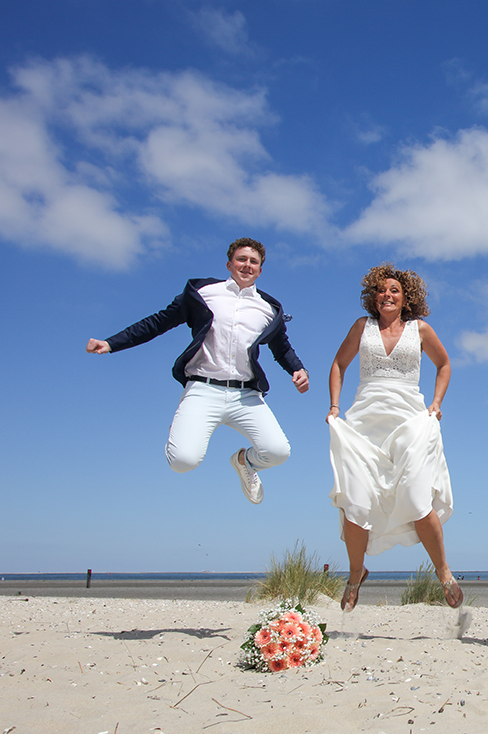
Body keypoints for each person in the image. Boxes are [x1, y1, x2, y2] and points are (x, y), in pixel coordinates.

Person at [86, 237, 308, 504]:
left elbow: (281, 347)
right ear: (229, 264)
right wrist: (111, 343)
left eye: (254, 262)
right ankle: (183, 424)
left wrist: (297, 369)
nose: (247, 265)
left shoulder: (268, 309)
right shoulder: (203, 293)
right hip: (203, 390)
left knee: (278, 452)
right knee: (182, 461)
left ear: (260, 270)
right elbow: (158, 322)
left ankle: (244, 462)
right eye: (241, 259)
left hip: (245, 396)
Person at [327, 264, 460, 612]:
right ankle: (356, 574)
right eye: (381, 290)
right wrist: (335, 407)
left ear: (406, 298)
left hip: (409, 420)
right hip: (364, 421)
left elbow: (444, 364)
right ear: (374, 297)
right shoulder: (362, 327)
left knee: (417, 498)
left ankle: (442, 570)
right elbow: (338, 365)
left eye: (394, 291)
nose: (387, 295)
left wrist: (435, 403)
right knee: (355, 503)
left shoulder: (420, 329)